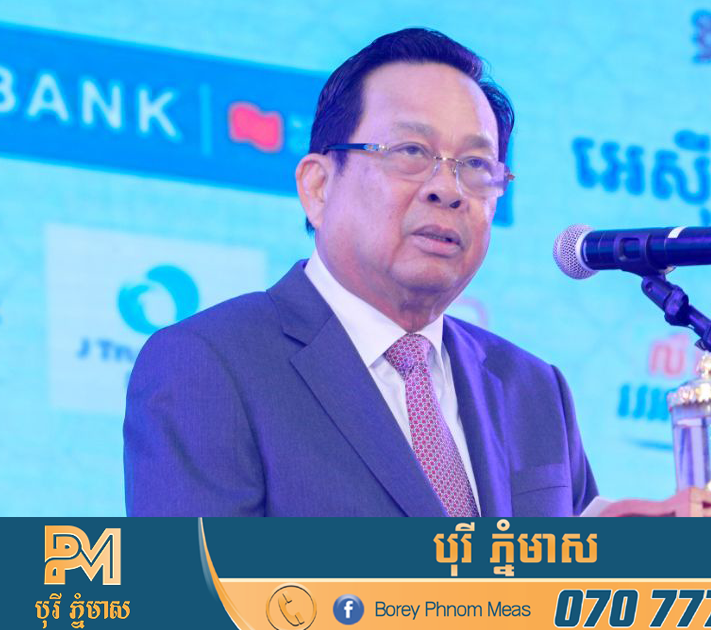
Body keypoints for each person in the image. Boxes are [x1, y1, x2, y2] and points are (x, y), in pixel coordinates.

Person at [123, 28, 599, 517]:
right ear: (318, 187)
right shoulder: (210, 364)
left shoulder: (535, 391)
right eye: (411, 152)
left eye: (475, 164)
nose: (448, 189)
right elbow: (200, 567)